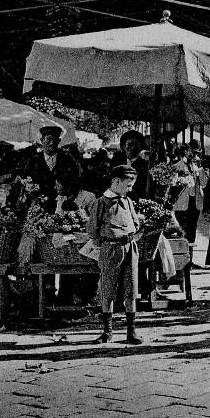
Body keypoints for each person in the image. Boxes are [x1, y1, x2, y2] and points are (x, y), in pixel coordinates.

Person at [87, 165, 144, 344]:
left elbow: (135, 222)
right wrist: (103, 242)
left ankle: (131, 331)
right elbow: (92, 229)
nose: (130, 189)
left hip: (130, 248)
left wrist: (137, 229)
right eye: (128, 185)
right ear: (116, 182)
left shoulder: (127, 201)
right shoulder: (101, 202)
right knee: (108, 289)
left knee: (131, 289)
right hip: (110, 249)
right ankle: (107, 331)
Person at [30, 125, 83, 212]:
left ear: (59, 141)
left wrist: (66, 191)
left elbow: (77, 182)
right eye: (48, 139)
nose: (52, 143)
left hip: (62, 207)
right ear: (42, 141)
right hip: (38, 207)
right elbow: (26, 183)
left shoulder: (68, 160)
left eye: (55, 140)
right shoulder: (33, 161)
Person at [171, 144, 208, 247]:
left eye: (197, 154)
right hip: (182, 203)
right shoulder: (177, 166)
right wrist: (182, 181)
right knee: (183, 231)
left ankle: (190, 258)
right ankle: (184, 257)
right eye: (193, 152)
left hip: (194, 202)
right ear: (186, 151)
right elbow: (173, 184)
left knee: (192, 230)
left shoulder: (197, 168)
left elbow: (204, 183)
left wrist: (201, 171)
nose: (195, 156)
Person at [111, 130, 150, 200]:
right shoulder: (118, 159)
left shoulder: (144, 164)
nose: (132, 148)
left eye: (136, 144)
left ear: (140, 146)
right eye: (129, 144)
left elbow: (144, 187)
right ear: (123, 146)